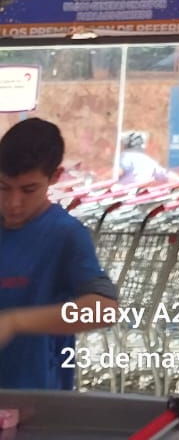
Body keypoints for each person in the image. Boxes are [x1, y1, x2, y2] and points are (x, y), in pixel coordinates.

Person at [0, 117, 119, 389]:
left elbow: (104, 310)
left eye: (28, 190)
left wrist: (15, 322)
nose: (13, 203)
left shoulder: (65, 234)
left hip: (35, 397)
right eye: (3, 187)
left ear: (55, 176)